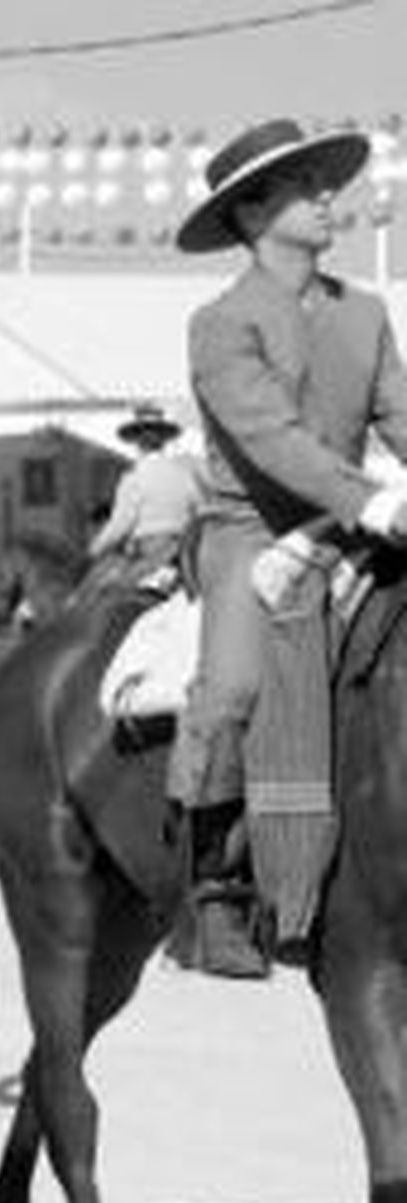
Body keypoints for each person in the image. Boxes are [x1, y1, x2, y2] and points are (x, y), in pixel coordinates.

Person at [168, 117, 407, 977]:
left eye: (322, 183)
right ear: (251, 213)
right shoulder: (221, 323)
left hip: (355, 523)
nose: (325, 197)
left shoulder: (367, 312)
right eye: (305, 188)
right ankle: (214, 889)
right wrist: (371, 498)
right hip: (250, 532)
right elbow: (271, 440)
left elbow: (400, 416)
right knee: (231, 689)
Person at [87, 401, 205, 582]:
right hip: (186, 558)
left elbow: (120, 526)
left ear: (137, 441)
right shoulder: (184, 474)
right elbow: (200, 513)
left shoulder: (134, 479)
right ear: (164, 439)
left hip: (148, 557)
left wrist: (92, 551)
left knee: (101, 591)